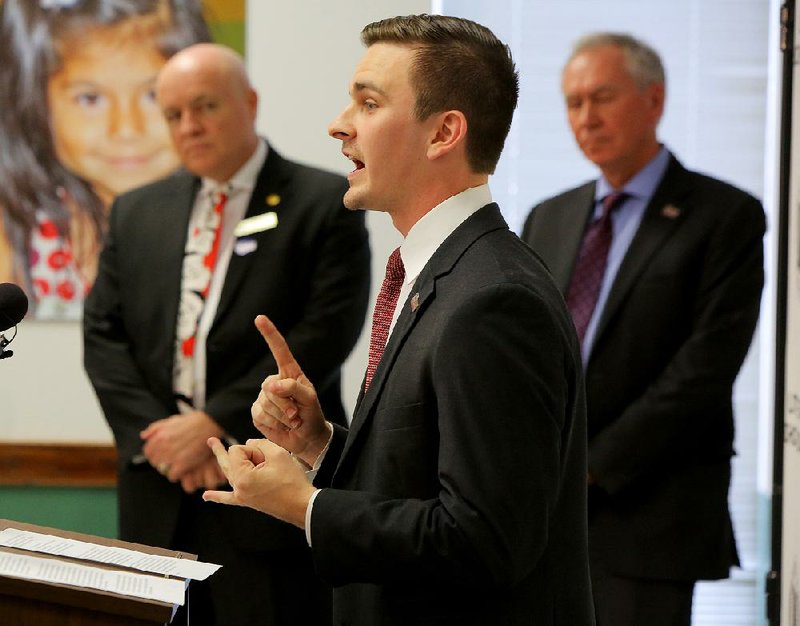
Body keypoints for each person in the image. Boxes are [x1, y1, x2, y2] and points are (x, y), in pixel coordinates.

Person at [204, 14, 595, 626]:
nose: (338, 125)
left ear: (444, 133)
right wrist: (321, 444)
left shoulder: (493, 300)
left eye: (367, 102)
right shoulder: (439, 269)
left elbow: (486, 539)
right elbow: (421, 482)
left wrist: (306, 506)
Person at [83, 43, 371, 625]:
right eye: (173, 115)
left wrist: (214, 424)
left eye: (205, 106)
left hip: (265, 486)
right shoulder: (136, 211)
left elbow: (324, 332)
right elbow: (103, 337)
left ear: (250, 102)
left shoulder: (321, 201)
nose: (189, 126)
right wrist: (163, 442)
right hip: (156, 489)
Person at [521, 32, 765, 626]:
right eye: (573, 102)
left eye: (601, 97)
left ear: (654, 100)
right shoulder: (547, 217)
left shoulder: (723, 215)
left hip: (650, 514)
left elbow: (702, 371)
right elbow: (526, 347)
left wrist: (592, 464)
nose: (586, 117)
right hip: (544, 513)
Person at [0, 0, 210, 319]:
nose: (126, 129)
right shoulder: (18, 236)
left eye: (152, 94)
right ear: (37, 105)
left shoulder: (222, 227)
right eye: (90, 98)